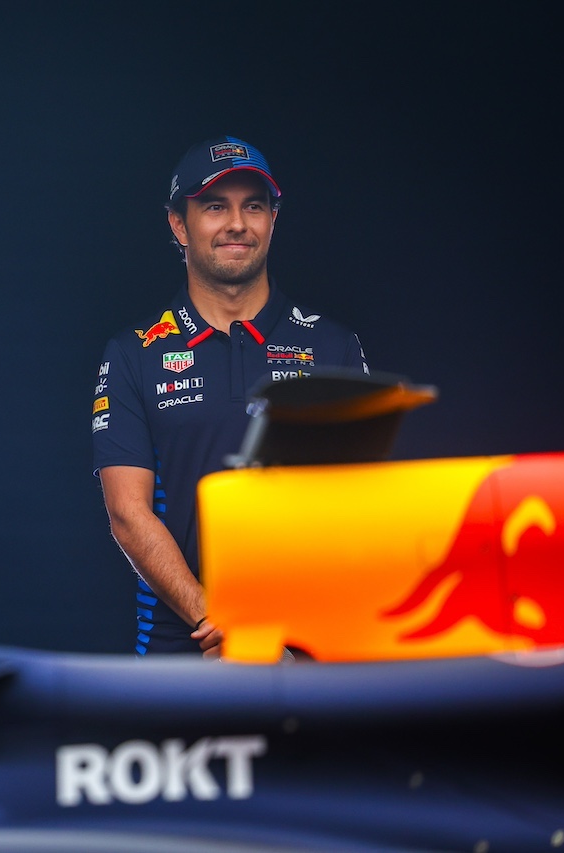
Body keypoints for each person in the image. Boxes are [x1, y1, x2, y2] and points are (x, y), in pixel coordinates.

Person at [91, 135, 367, 658]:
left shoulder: (332, 345)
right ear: (179, 224)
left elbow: (359, 503)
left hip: (314, 640)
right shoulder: (133, 354)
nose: (236, 223)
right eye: (215, 206)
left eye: (253, 206)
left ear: (272, 219)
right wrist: (211, 615)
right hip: (187, 644)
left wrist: (274, 615)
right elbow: (128, 513)